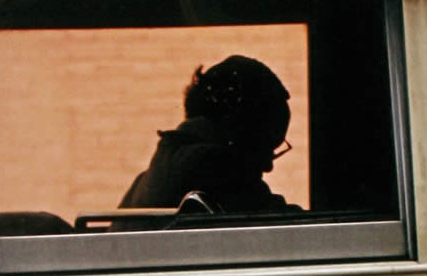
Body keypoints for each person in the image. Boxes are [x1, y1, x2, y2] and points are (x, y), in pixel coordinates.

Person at [118, 55, 301, 215]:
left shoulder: (154, 173)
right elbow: (277, 226)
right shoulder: (213, 165)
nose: (268, 165)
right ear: (239, 128)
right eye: (265, 146)